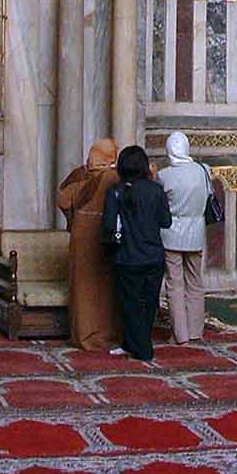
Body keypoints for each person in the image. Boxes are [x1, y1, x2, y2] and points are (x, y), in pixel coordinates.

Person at [100, 144, 172, 362]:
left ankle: (142, 349)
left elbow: (108, 225)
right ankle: (133, 344)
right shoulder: (156, 190)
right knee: (149, 304)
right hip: (154, 256)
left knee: (130, 305)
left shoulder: (115, 191)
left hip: (127, 257)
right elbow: (165, 222)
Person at [57, 138, 122, 351]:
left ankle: (82, 335)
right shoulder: (113, 177)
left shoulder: (79, 175)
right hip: (104, 236)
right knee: (104, 288)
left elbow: (63, 200)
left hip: (81, 236)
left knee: (83, 288)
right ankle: (106, 335)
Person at [158, 131, 210, 345]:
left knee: (175, 284)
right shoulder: (203, 170)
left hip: (171, 235)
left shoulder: (163, 175)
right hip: (196, 233)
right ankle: (195, 331)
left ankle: (180, 335)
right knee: (195, 282)